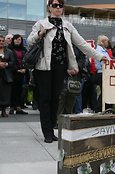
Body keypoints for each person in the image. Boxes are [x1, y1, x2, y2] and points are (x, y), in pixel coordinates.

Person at [27, 0, 106, 143]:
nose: (58, 8)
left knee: (56, 98)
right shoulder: (41, 23)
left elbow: (82, 44)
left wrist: (100, 57)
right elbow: (29, 41)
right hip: (44, 66)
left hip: (60, 67)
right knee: (45, 99)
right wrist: (40, 33)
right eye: (55, 5)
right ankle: (47, 132)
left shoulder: (67, 26)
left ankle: (52, 128)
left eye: (60, 5)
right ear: (49, 7)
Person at [8, 34, 29, 115]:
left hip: (23, 73)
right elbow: (10, 61)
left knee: (20, 90)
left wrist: (25, 69)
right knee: (13, 90)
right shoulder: (10, 49)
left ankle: (18, 107)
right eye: (16, 39)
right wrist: (17, 69)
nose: (17, 41)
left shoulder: (24, 49)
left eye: (19, 39)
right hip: (13, 73)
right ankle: (12, 107)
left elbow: (27, 60)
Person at [0, 35, 16, 117]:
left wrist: (6, 64)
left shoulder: (9, 52)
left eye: (2, 41)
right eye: (0, 41)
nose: (1, 42)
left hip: (6, 75)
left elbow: (13, 63)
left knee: (5, 93)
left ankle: (3, 110)